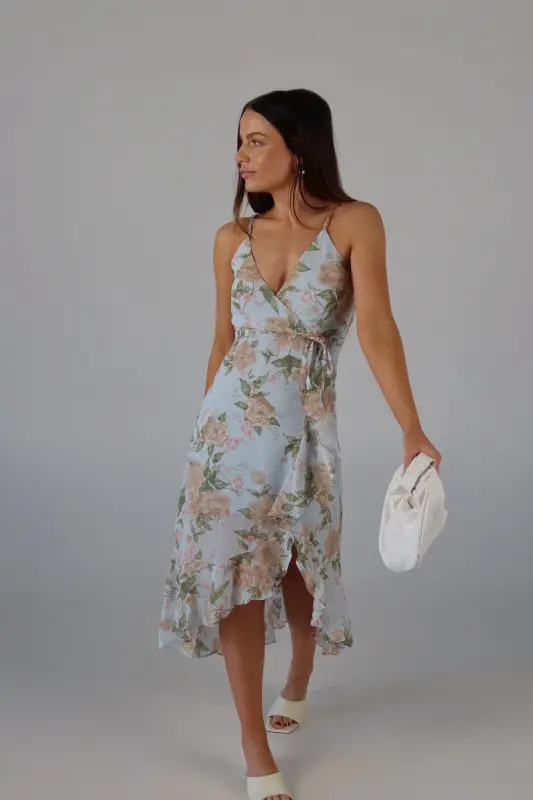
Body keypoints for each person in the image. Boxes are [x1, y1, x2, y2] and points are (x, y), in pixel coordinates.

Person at [158, 88, 442, 800]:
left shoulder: (354, 223)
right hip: (227, 440)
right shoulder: (231, 238)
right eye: (239, 140)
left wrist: (410, 426)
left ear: (300, 146)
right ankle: (254, 749)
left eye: (256, 140)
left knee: (300, 569)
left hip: (307, 434)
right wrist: (204, 439)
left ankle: (301, 674)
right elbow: (222, 344)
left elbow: (376, 329)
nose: (240, 155)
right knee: (235, 577)